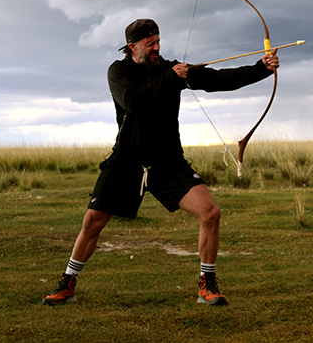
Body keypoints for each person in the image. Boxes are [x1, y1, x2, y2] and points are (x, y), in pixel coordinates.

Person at [43, 19, 279, 306]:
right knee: (92, 222)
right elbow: (133, 101)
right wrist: (171, 77)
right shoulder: (119, 71)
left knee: (210, 213)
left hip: (168, 162)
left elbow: (219, 80)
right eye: (150, 44)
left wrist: (261, 69)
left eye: (158, 42)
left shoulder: (172, 69)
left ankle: (207, 284)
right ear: (132, 47)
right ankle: (67, 283)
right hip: (127, 161)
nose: (156, 48)